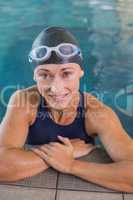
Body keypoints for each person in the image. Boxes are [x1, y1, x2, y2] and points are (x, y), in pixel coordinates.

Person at [0, 27, 133, 192]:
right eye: (44, 75)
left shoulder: (97, 114)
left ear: (80, 73)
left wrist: (71, 165)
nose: (56, 88)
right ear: (35, 76)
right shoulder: (23, 101)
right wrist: (63, 153)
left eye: (66, 73)